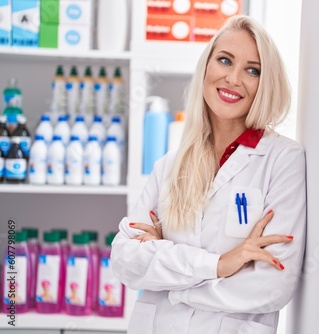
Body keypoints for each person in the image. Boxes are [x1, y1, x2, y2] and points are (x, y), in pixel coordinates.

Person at [110, 14, 306, 334]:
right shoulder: (170, 165)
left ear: (266, 82)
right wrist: (219, 265)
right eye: (225, 60)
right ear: (206, 67)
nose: (233, 78)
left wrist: (173, 286)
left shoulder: (283, 159)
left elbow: (270, 286)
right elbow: (124, 258)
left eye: (252, 70)